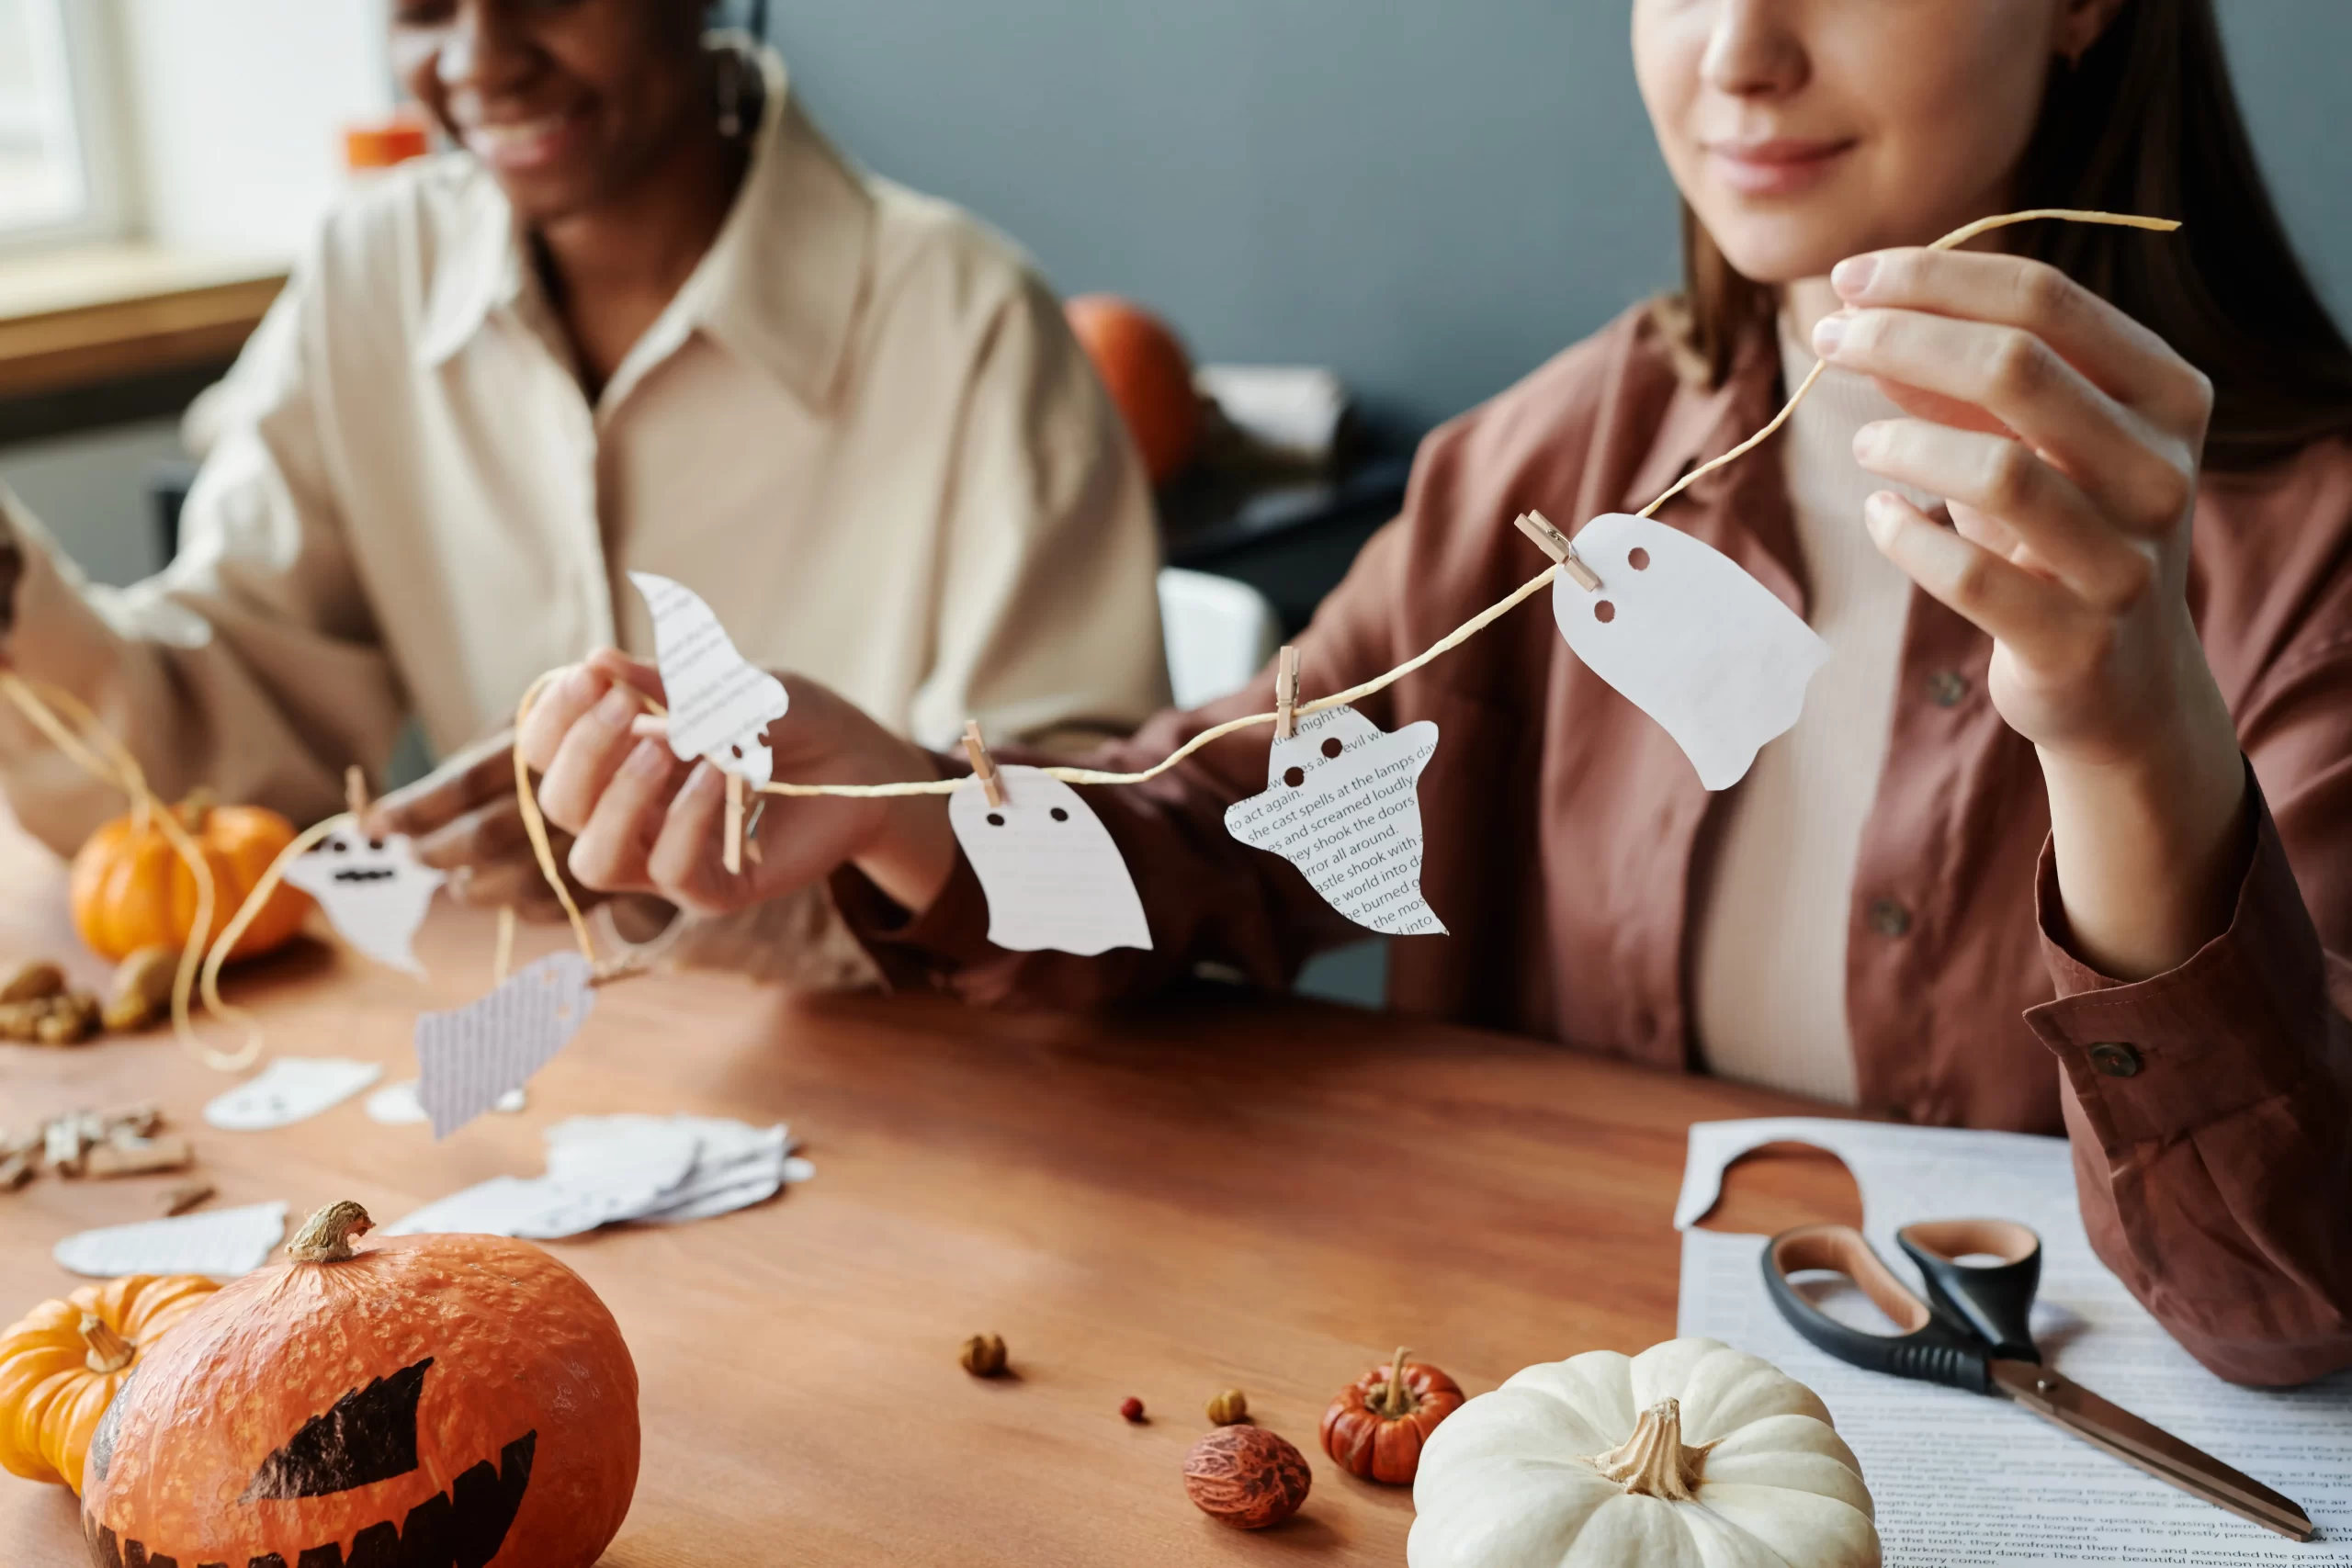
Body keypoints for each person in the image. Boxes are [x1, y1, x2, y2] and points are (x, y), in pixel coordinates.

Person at [516, 0, 2352, 1383]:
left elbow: (2285, 1296)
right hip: (1575, 1435)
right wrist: (901, 801)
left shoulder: (2313, 549)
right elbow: (1206, 839)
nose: (1737, 52)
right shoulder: (1538, 476)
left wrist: (2126, 740)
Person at [0, 0, 1169, 967]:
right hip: (563, 1083)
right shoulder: (375, 274)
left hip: (928, 1085)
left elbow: (1093, 866)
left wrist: (742, 840)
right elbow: (222, 755)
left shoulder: (964, 321)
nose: (479, 63)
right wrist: (22, 620)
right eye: (421, 8)